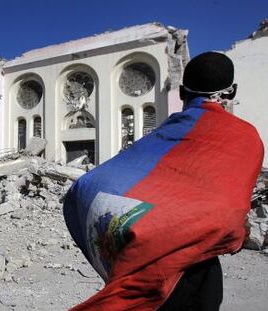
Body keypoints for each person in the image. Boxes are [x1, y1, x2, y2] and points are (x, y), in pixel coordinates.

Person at [63, 52, 264, 310]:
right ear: (232, 91)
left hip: (151, 261)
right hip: (197, 272)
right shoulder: (243, 138)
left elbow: (96, 182)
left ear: (181, 93)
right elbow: (230, 207)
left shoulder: (161, 134)